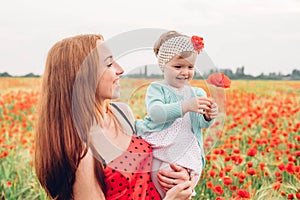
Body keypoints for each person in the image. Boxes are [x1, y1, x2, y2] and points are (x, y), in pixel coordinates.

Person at [34, 34, 195, 200]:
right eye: (109, 63)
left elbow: (146, 174)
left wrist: (175, 177)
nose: (120, 69)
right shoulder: (81, 152)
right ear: (83, 76)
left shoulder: (121, 113)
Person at [135, 30, 218, 198]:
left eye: (190, 67)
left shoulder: (197, 93)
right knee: (165, 184)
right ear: (163, 66)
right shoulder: (157, 89)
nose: (185, 72)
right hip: (162, 151)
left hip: (188, 151)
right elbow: (156, 113)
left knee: (184, 188)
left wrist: (208, 116)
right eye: (178, 67)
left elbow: (201, 124)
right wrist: (185, 106)